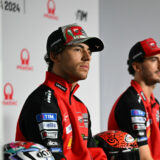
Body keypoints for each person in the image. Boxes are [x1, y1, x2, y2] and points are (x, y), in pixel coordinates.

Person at [15, 23, 107, 160]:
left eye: (89, 51)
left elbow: (94, 153)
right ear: (54, 55)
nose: (87, 57)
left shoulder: (80, 106)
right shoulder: (44, 103)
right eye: (78, 49)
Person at [108, 38, 160, 160]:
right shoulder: (131, 102)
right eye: (154, 60)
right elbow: (143, 157)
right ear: (137, 66)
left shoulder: (154, 103)